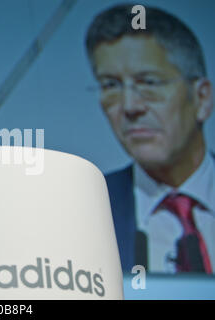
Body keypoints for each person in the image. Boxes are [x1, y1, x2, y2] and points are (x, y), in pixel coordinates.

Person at [85, 4, 214, 274]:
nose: (130, 106)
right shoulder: (78, 214)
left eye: (149, 83)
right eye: (111, 85)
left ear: (201, 98)